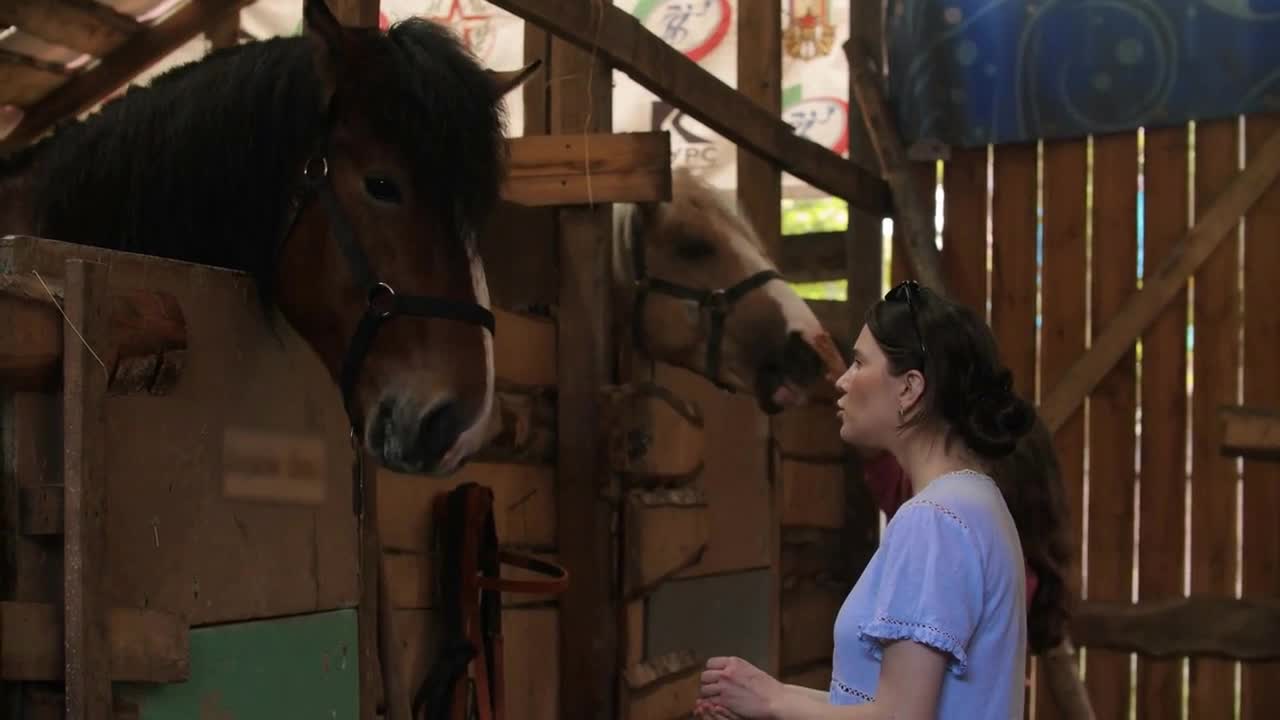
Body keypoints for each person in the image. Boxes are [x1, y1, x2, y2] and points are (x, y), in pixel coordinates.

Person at [696, 280, 1035, 719]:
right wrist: (768, 694)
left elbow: (899, 717)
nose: (842, 381)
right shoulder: (977, 501)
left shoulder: (933, 520)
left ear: (909, 388)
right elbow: (873, 706)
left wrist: (776, 703)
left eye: (858, 363)